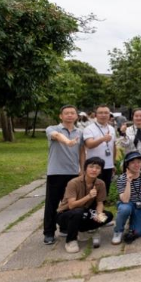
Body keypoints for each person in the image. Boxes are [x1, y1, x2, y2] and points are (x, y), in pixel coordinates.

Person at [43, 105, 85, 245]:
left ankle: (65, 227)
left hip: (73, 173)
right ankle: (49, 232)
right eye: (66, 113)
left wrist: (82, 169)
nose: (69, 115)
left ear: (76, 116)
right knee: (52, 204)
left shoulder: (80, 132)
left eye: (72, 113)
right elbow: (57, 136)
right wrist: (67, 142)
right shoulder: (52, 129)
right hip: (56, 172)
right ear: (60, 116)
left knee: (68, 203)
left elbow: (81, 152)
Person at [57, 156, 114, 252]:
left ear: (100, 171)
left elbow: (100, 203)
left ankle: (83, 230)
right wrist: (89, 196)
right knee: (77, 212)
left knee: (107, 216)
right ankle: (71, 240)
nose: (94, 170)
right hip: (66, 214)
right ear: (85, 169)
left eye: (97, 168)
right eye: (91, 167)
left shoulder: (100, 184)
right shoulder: (73, 183)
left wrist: (99, 213)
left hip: (85, 213)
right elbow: (71, 205)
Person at [112, 151, 141, 244]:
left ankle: (132, 223)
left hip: (140, 206)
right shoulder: (122, 178)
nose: (136, 165)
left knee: (138, 232)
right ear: (127, 165)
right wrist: (128, 181)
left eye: (139, 162)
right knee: (124, 209)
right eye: (133, 162)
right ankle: (118, 231)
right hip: (127, 204)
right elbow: (125, 200)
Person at [82, 104, 117, 193]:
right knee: (92, 191)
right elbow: (89, 144)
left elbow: (113, 146)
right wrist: (102, 139)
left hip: (108, 165)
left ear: (109, 115)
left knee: (105, 190)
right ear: (96, 115)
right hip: (94, 166)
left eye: (106, 113)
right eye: (100, 113)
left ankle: (102, 206)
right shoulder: (89, 129)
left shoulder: (112, 129)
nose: (103, 115)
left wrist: (113, 163)